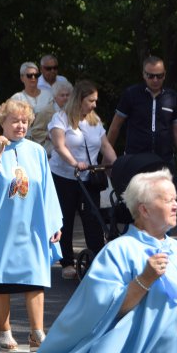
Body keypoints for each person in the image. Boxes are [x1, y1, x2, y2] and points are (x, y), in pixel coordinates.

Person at [25, 169, 177, 353]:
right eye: (168, 201)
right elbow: (105, 310)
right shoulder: (118, 252)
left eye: (175, 199)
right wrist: (145, 279)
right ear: (144, 209)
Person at [0, 99, 63, 353]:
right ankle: (4, 329)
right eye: (15, 121)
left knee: (36, 276)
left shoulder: (37, 151)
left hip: (31, 224)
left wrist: (53, 222)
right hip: (1, 225)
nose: (20, 126)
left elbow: (48, 190)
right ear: (2, 123)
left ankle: (37, 332)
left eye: (24, 121)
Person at [48, 80, 117, 279]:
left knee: (94, 217)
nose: (95, 105)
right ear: (79, 99)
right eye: (91, 100)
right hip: (64, 176)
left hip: (89, 176)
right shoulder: (60, 119)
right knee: (66, 219)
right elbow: (60, 146)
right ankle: (67, 262)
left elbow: (105, 147)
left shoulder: (95, 121)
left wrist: (117, 165)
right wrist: (74, 162)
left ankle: (96, 257)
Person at [107, 56, 177, 184]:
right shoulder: (131, 94)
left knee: (164, 200)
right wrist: (106, 158)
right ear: (143, 75)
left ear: (165, 75)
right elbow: (115, 127)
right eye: (150, 76)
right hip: (135, 159)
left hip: (164, 159)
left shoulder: (172, 97)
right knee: (136, 201)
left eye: (159, 76)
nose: (155, 80)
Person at [11, 62, 56, 152]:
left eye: (36, 75)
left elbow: (54, 117)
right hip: (25, 143)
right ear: (22, 78)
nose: (33, 78)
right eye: (29, 75)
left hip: (46, 143)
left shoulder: (48, 95)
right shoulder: (17, 98)